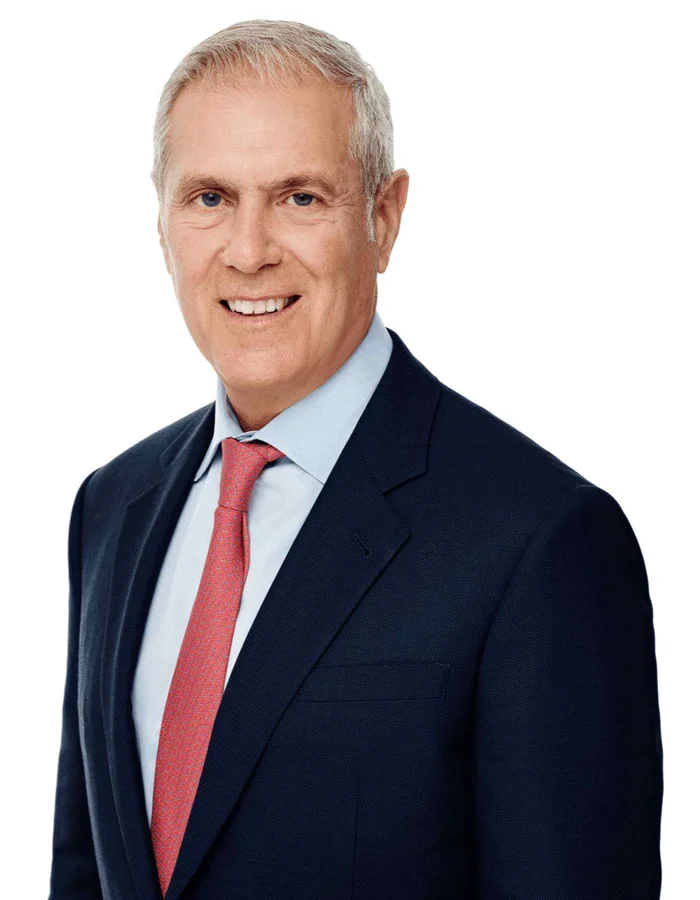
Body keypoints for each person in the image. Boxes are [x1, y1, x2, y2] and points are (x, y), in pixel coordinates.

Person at [48, 19, 663, 900]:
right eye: (210, 197)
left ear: (384, 216)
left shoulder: (540, 540)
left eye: (300, 198)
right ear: (162, 223)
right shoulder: (113, 506)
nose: (249, 251)